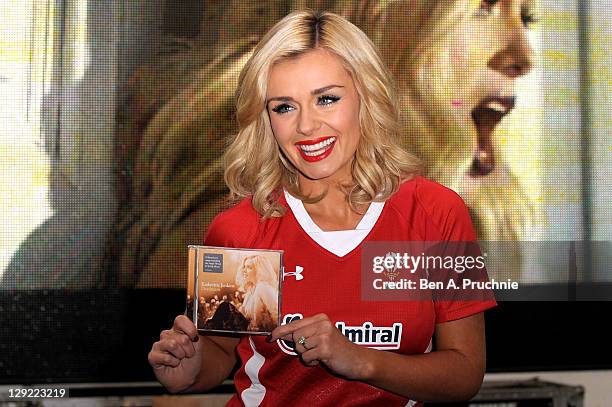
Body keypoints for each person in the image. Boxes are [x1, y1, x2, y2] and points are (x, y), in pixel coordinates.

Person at [148, 10, 496, 406]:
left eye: (326, 99)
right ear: (265, 119)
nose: (307, 126)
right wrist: (187, 370)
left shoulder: (435, 212)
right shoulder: (241, 229)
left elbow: (465, 373)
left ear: (366, 96)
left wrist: (359, 360)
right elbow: (218, 354)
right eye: (284, 107)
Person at [235, 255, 279, 332]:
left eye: (249, 267)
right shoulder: (251, 290)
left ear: (259, 270)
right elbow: (243, 314)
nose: (244, 270)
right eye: (244, 267)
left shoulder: (263, 287)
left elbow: (276, 315)